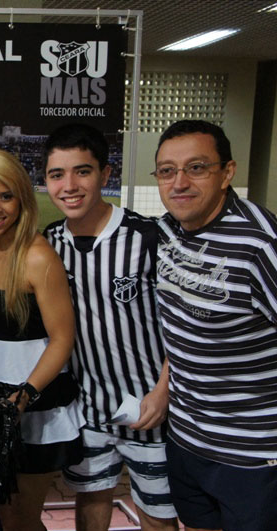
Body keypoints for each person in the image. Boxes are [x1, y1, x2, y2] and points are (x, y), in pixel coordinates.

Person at [42, 123, 177, 531]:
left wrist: (164, 390)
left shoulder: (150, 237)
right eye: (56, 174)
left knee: (158, 515)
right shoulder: (47, 243)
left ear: (105, 173)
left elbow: (185, 327)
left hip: (152, 410)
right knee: (91, 502)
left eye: (82, 171)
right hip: (87, 410)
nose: (69, 185)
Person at [153, 120, 277, 531]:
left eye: (197, 167)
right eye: (167, 170)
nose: (180, 182)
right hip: (187, 440)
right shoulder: (170, 230)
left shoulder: (261, 248)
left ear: (227, 173)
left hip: (252, 458)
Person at [0, 147, 82, 530]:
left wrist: (24, 396)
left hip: (30, 398)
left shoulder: (39, 257)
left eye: (5, 196)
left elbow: (63, 338)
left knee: (18, 519)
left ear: (22, 199)